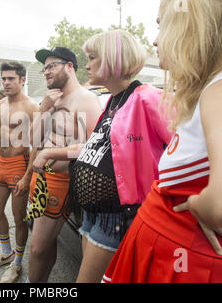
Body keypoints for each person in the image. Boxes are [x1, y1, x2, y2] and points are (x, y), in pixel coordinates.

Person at [104, 0, 222, 283]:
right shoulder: (215, 89)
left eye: (162, 25)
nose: (156, 40)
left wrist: (203, 205)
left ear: (194, 24)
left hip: (187, 265)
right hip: (171, 253)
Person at [33, 31, 172, 283]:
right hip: (91, 214)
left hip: (117, 216)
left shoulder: (147, 97)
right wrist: (49, 151)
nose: (86, 65)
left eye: (93, 57)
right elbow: (92, 149)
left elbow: (183, 147)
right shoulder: (111, 103)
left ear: (112, 59)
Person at [28, 47, 102, 283]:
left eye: (51, 66)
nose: (46, 72)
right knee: (46, 245)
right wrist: (43, 109)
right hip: (41, 179)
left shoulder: (86, 99)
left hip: (61, 183)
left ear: (69, 66)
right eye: (44, 68)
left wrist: (51, 152)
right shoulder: (53, 98)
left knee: (37, 248)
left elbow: (92, 147)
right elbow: (33, 140)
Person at [0, 62, 39, 283]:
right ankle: (6, 252)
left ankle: (17, 264)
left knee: (19, 218)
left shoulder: (32, 107)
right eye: (4, 78)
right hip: (1, 164)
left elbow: (37, 145)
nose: (6, 82)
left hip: (19, 165)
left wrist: (27, 176)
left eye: (11, 78)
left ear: (22, 80)